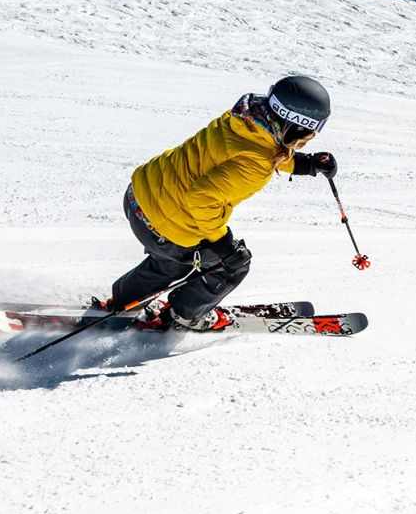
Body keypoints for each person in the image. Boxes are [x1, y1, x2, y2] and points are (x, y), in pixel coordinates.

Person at [94, 76, 337, 331]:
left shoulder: (244, 117)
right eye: (309, 133)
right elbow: (203, 198)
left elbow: (252, 150)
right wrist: (224, 246)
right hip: (166, 224)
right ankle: (185, 316)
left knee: (171, 262)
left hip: (140, 197)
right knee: (232, 266)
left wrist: (304, 164)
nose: (309, 139)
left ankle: (123, 302)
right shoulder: (258, 165)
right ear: (294, 127)